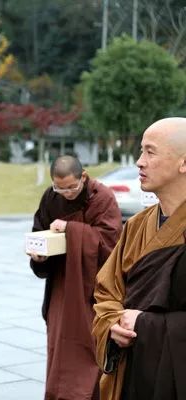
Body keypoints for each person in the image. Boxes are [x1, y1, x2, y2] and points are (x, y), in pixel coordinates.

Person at [93, 117, 186, 400]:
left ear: (184, 163)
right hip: (131, 372)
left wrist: (145, 325)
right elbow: (106, 290)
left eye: (150, 151)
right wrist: (112, 324)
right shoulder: (136, 225)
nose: (139, 162)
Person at [28, 155, 122, 400]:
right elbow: (40, 232)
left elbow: (110, 242)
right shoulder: (51, 196)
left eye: (71, 187)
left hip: (93, 287)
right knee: (59, 343)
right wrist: (39, 256)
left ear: (83, 176)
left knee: (87, 345)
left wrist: (71, 229)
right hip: (61, 283)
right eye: (60, 187)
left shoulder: (101, 197)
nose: (66, 193)